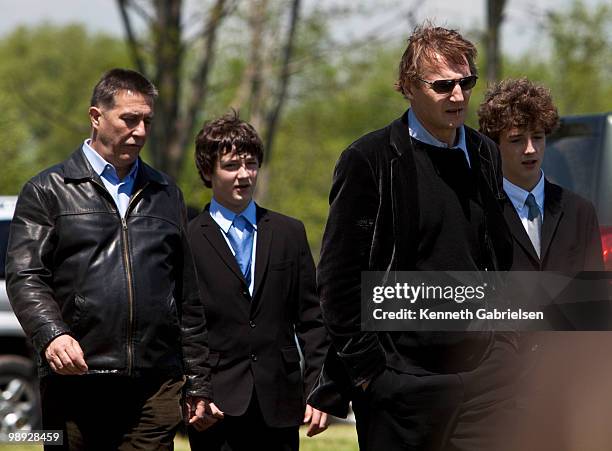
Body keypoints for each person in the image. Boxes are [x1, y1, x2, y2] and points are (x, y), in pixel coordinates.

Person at [308, 24, 519, 451]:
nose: (458, 97)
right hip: (400, 381)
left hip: (485, 379)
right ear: (408, 87)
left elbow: (498, 255)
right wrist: (370, 374)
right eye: (443, 86)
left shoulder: (485, 154)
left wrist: (507, 348)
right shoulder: (368, 160)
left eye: (467, 83)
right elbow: (338, 279)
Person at [5, 68, 211, 450]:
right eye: (129, 119)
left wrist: (198, 379)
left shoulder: (166, 193)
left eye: (147, 120)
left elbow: (187, 296)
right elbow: (25, 275)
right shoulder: (48, 190)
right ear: (96, 117)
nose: (141, 131)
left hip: (156, 385)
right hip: (76, 381)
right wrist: (53, 333)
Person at [186, 112, 329, 450]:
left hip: (278, 401)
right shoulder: (186, 239)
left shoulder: (288, 233)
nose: (244, 174)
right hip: (215, 407)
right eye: (232, 165)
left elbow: (311, 319)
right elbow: (185, 324)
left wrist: (319, 386)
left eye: (251, 164)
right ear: (208, 172)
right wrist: (196, 390)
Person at [478, 78, 607, 450]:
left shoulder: (579, 210)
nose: (530, 149)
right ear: (495, 145)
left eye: (538, 137)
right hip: (500, 389)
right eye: (517, 139)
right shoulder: (479, 213)